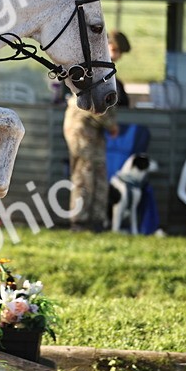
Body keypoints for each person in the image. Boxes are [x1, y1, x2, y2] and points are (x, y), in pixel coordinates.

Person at [63, 30, 130, 231]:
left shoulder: (103, 67)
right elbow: (92, 100)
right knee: (85, 174)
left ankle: (97, 220)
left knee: (99, 172)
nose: (117, 55)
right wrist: (111, 125)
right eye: (115, 49)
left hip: (95, 129)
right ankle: (80, 221)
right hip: (82, 127)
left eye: (120, 52)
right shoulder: (93, 65)